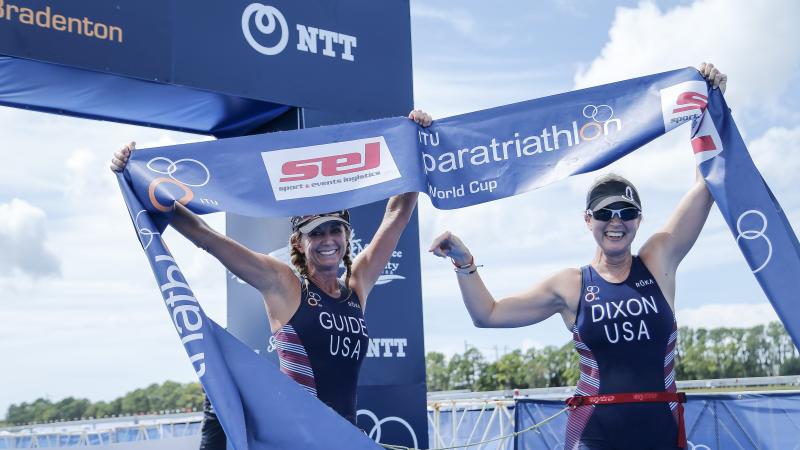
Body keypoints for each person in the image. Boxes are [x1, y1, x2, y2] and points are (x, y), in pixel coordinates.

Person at [428, 63, 727, 450]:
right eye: (604, 213)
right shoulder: (571, 285)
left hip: (662, 437)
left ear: (639, 219)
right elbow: (488, 315)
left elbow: (706, 182)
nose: (615, 222)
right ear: (588, 220)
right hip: (594, 438)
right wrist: (465, 263)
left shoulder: (658, 260)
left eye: (625, 213)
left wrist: (709, 104)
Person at [111, 109, 432, 449]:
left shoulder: (357, 286)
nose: (327, 241)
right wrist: (143, 182)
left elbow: (396, 216)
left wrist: (414, 142)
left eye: (334, 230)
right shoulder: (282, 283)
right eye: (316, 233)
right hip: (296, 440)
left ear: (347, 235)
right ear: (298, 242)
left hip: (344, 439)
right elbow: (206, 236)